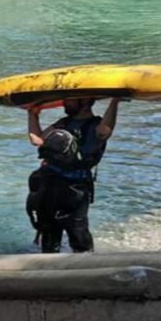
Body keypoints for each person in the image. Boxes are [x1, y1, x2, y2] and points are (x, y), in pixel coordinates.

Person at [26, 97, 121, 253]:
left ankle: (86, 268)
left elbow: (106, 131)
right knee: (49, 233)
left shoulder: (95, 126)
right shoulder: (63, 123)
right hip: (49, 185)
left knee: (78, 233)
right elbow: (37, 140)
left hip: (75, 189)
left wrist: (114, 102)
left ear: (85, 102)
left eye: (69, 100)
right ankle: (48, 271)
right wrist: (32, 113)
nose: (64, 102)